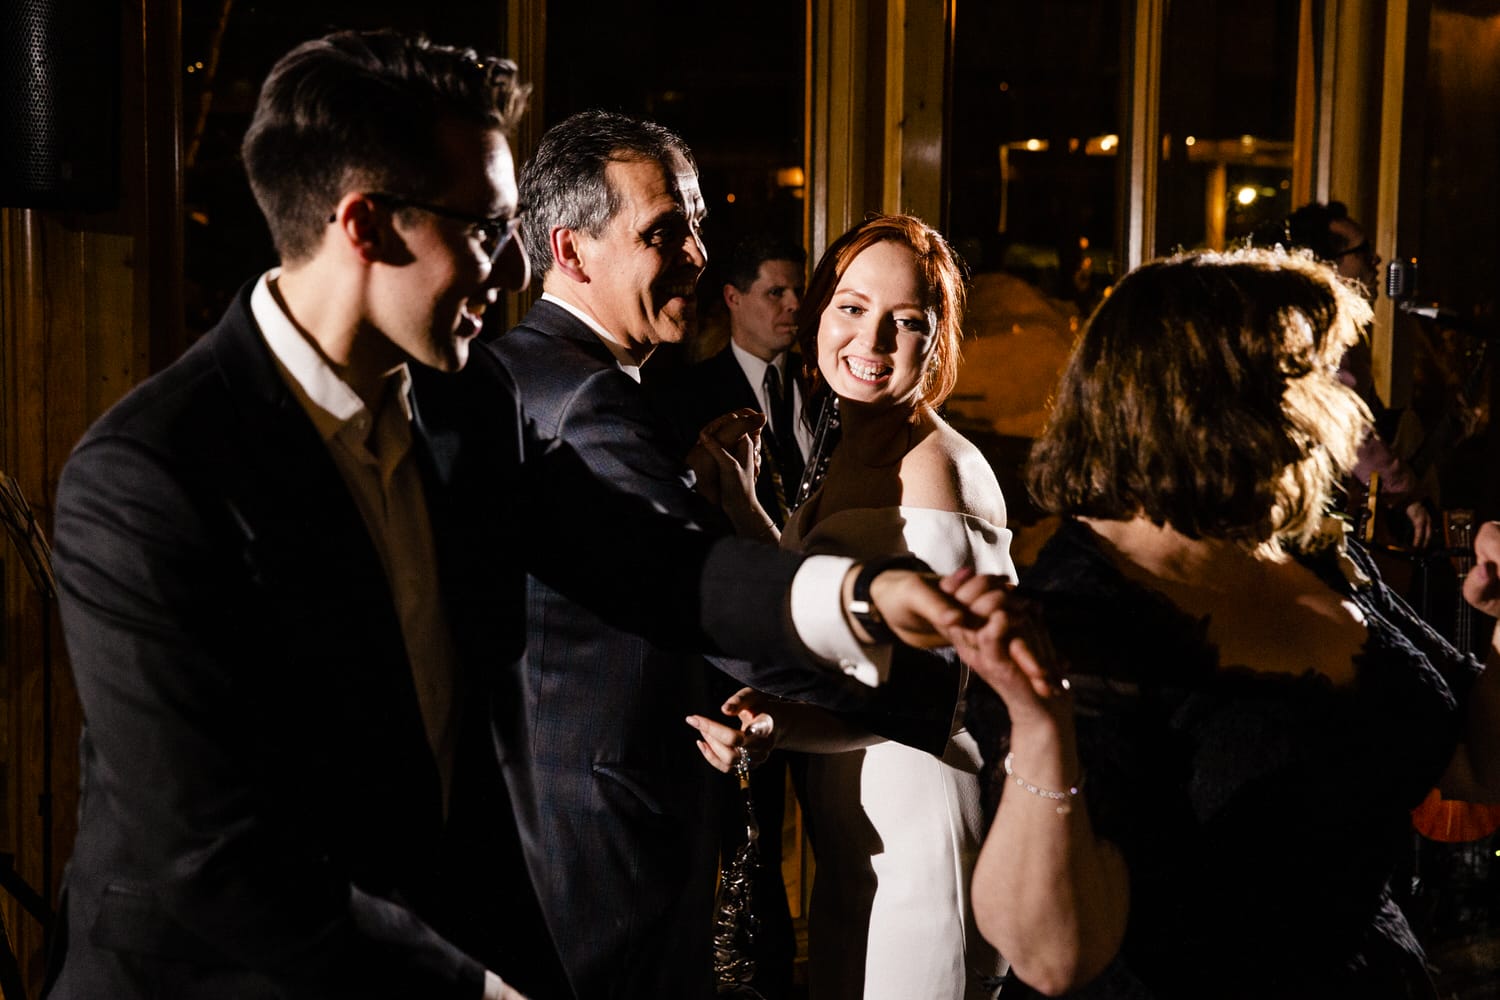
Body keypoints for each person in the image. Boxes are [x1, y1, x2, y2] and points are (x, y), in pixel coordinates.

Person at [42, 33, 985, 1000]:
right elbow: (213, 859)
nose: (512, 272)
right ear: (368, 226)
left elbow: (648, 562)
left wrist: (859, 596)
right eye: (487, 229)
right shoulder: (150, 474)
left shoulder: (466, 405)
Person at [486, 114, 971, 999]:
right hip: (601, 837)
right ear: (571, 249)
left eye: (699, 226)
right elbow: (705, 596)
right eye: (665, 231)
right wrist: (932, 692)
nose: (700, 255)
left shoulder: (524, 375)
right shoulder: (586, 402)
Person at [961, 246, 1500, 999]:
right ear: (1196, 401)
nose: (1345, 404)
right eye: (1308, 374)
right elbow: (1056, 958)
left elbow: (1478, 769)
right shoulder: (1087, 610)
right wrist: (1043, 730)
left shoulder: (1312, 552)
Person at [697, 214, 1016, 999]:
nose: (870, 340)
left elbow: (928, 698)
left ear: (934, 341)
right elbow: (826, 603)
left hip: (921, 831)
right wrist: (742, 506)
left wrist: (779, 726)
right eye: (851, 307)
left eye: (904, 322)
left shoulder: (939, 472)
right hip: (850, 841)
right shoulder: (845, 443)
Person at [649, 232, 812, 998]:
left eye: (797, 293)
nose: (792, 308)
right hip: (732, 667)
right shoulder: (682, 396)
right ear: (734, 299)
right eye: (776, 293)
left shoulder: (830, 391)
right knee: (743, 852)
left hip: (820, 670)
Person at [1277, 200, 1434, 547]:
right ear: (1326, 267)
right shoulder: (1320, 330)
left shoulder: (1319, 325)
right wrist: (1405, 490)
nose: (1376, 260)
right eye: (1362, 251)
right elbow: (1349, 428)